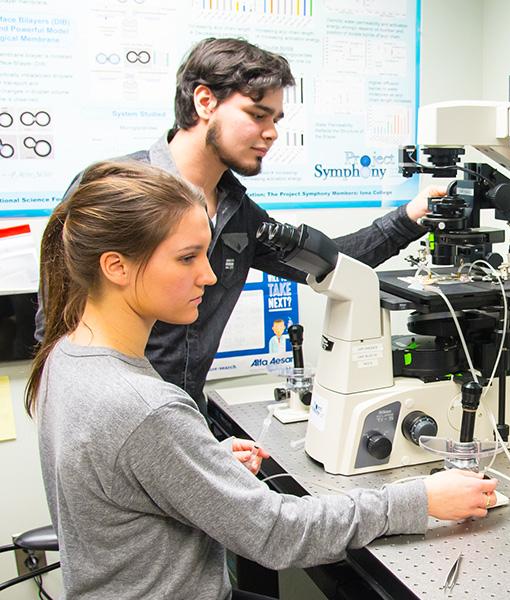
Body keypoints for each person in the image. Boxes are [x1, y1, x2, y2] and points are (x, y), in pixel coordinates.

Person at [27, 161, 498, 600]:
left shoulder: (68, 356)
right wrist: (421, 499)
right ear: (116, 267)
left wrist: (196, 461)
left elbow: (124, 471)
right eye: (188, 258)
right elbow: (276, 534)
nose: (209, 276)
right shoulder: (144, 406)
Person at [37, 37, 443, 412]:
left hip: (185, 415)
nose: (271, 133)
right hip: (116, 416)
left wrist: (410, 217)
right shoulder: (117, 190)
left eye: (277, 119)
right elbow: (53, 326)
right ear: (204, 102)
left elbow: (328, 263)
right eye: (257, 114)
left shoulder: (239, 213)